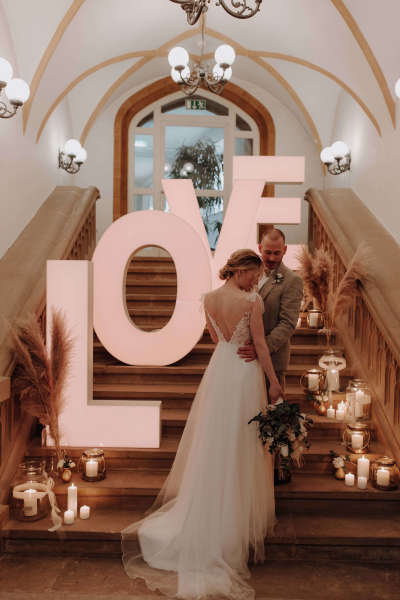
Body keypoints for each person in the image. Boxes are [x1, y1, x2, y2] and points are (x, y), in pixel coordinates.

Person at [122, 249, 283, 600]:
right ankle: (231, 525)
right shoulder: (252, 301)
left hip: (220, 369)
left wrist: (231, 341)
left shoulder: (208, 299)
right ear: (241, 270)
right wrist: (273, 382)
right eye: (253, 275)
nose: (255, 282)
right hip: (243, 375)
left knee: (215, 442)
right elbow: (258, 344)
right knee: (239, 444)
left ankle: (210, 514)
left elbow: (214, 338)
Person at [238, 229, 303, 384]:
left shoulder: (292, 280)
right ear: (260, 248)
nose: (272, 258)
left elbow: (287, 323)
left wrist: (260, 348)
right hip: (242, 358)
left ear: (285, 250)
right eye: (268, 252)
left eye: (277, 253)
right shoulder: (247, 274)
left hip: (272, 360)